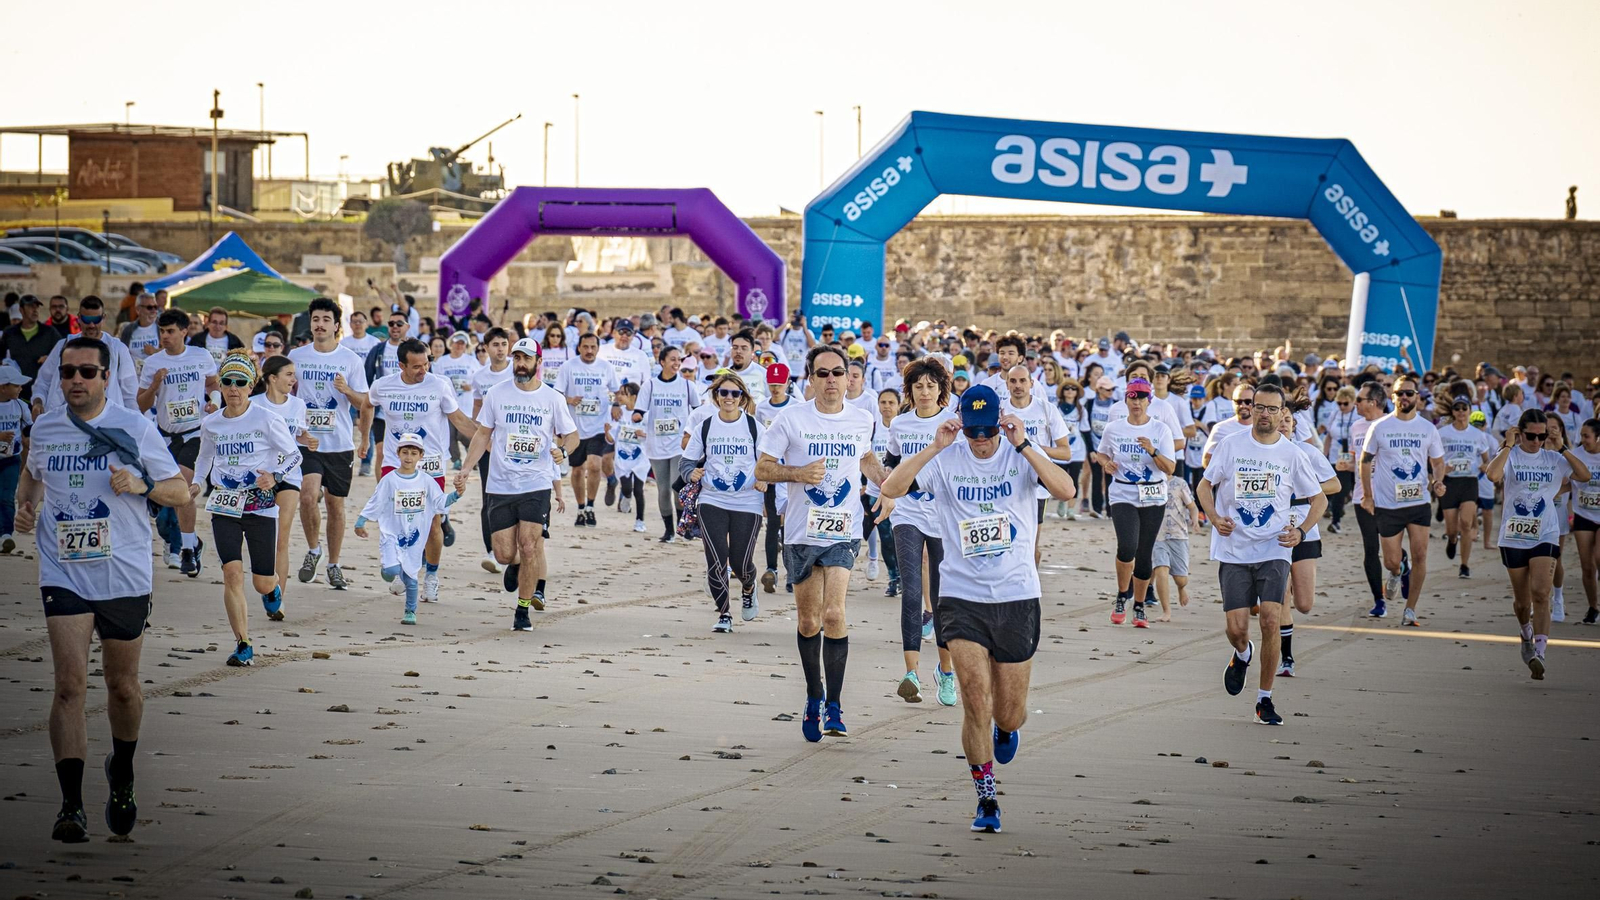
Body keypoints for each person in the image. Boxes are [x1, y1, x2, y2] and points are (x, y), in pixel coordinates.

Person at [880, 384, 1078, 834]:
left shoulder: (1017, 455)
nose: (982, 440)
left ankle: (1006, 732)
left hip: (1016, 595)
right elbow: (893, 485)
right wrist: (935, 445)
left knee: (1008, 711)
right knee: (974, 699)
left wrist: (1024, 443)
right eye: (975, 431)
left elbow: (1065, 490)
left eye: (989, 431)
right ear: (962, 425)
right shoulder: (948, 457)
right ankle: (986, 796)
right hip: (961, 594)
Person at [14, 336, 187, 843]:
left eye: (87, 372)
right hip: (63, 569)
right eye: (68, 372)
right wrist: (26, 507)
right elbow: (32, 477)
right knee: (69, 685)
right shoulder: (45, 428)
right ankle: (71, 807)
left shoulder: (134, 427)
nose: (76, 381)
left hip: (125, 572)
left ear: (107, 377)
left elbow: (177, 491)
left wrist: (142, 486)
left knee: (122, 687)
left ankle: (124, 773)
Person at [756, 345, 893, 742]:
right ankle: (813, 697)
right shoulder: (790, 420)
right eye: (823, 373)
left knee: (834, 615)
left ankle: (834, 705)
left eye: (839, 373)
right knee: (808, 621)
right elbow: (762, 468)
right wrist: (797, 472)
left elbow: (865, 459)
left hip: (844, 529)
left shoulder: (861, 419)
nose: (832, 380)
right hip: (800, 531)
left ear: (849, 377)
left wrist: (886, 484)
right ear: (810, 379)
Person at [1196, 382, 1326, 726]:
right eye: (1259, 407)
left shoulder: (1293, 454)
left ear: (1283, 413)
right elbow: (1204, 485)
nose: (1264, 414)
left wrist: (1299, 531)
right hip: (1234, 548)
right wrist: (1213, 517)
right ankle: (1242, 653)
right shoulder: (1230, 445)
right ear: (1250, 409)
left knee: (1270, 618)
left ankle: (1264, 699)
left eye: (1272, 409)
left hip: (1274, 548)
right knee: (1237, 629)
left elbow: (1320, 499)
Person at [456, 338, 577, 628]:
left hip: (536, 483)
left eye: (526, 358)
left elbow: (572, 436)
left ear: (538, 362)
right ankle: (516, 564)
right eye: (517, 358)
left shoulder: (552, 398)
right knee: (504, 553)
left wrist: (563, 451)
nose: (520, 364)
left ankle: (522, 610)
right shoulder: (497, 394)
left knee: (530, 544)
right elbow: (483, 434)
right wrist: (465, 469)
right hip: (500, 484)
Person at [190, 352, 299, 665]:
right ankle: (243, 643)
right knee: (231, 573)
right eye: (227, 382)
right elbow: (204, 458)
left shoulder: (266, 418)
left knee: (261, 581)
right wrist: (197, 482)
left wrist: (275, 476)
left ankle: (272, 590)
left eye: (240, 382)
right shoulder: (211, 423)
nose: (233, 388)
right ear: (221, 386)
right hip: (224, 503)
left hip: (260, 505)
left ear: (251, 386)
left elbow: (294, 455)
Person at [369, 338, 478, 602]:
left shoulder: (439, 385)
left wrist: (487, 440)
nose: (423, 370)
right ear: (401, 365)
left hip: (430, 465)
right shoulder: (383, 386)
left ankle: (431, 575)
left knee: (432, 524)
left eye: (426, 363)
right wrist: (364, 438)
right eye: (416, 366)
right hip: (395, 465)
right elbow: (366, 405)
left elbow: (459, 419)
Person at [1486, 410, 1589, 679]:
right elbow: (1491, 475)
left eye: (1541, 436)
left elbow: (1584, 475)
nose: (1536, 441)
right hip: (1514, 535)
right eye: (1530, 435)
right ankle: (1525, 632)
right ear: (1520, 432)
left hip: (1545, 532)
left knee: (1541, 592)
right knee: (1522, 603)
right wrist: (1508, 444)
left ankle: (1540, 652)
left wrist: (1562, 447)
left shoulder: (1554, 458)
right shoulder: (1511, 455)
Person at [884, 358, 960, 705]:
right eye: (918, 386)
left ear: (941, 389)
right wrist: (883, 497)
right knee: (912, 590)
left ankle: (945, 672)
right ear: (910, 391)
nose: (925, 391)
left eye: (931, 385)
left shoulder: (953, 424)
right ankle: (911, 672)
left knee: (942, 597)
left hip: (943, 515)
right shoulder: (900, 424)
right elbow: (890, 465)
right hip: (907, 512)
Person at [289, 298, 373, 590]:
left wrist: (346, 390)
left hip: (339, 442)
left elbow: (364, 402)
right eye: (315, 319)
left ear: (337, 325)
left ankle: (334, 565)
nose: (320, 324)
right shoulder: (296, 357)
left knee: (336, 506)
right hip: (306, 441)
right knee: (308, 496)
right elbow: (282, 392)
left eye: (326, 319)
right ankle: (313, 550)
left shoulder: (350, 359)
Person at [136, 308, 219, 574]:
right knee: (166, 497)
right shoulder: (153, 363)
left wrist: (213, 404)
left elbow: (213, 384)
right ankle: (192, 541)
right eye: (162, 331)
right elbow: (140, 404)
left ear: (184, 331)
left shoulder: (200, 356)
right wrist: (154, 386)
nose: (165, 336)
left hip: (195, 433)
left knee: (183, 487)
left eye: (170, 331)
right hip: (164, 437)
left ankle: (185, 551)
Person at [684, 371, 767, 632]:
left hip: (748, 501)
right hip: (712, 499)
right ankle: (724, 614)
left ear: (742, 397)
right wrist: (691, 472)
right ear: (716, 396)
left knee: (741, 561)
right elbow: (686, 461)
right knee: (716, 559)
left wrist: (765, 478)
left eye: (735, 393)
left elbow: (770, 460)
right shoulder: (706, 426)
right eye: (724, 393)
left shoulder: (754, 426)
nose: (729, 398)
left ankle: (748, 586)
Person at [1360, 376, 1446, 625]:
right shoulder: (1380, 426)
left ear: (1417, 397)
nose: (1405, 397)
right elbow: (1365, 462)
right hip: (1388, 504)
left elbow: (1438, 462)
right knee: (1390, 560)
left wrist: (1438, 481)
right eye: (1400, 393)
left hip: (1418, 501)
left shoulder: (1428, 428)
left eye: (1409, 393)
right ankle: (1397, 571)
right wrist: (1367, 496)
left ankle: (1410, 609)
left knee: (1421, 555)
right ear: (1393, 397)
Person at [1095, 378, 1177, 627]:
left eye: (1142, 397)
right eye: (1132, 397)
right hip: (1123, 493)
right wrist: (1105, 463)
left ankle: (1139, 605)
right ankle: (1122, 595)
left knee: (1144, 556)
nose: (1137, 402)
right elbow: (1101, 453)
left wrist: (1153, 451)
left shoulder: (1160, 430)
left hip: (1153, 495)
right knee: (1127, 547)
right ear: (1125, 399)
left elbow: (1170, 468)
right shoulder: (1114, 428)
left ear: (1149, 401)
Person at [356, 433, 460, 626]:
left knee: (411, 577)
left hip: (414, 535)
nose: (409, 457)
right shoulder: (389, 480)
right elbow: (376, 501)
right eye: (405, 452)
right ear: (398, 453)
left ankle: (410, 611)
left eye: (413, 453)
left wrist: (456, 495)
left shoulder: (426, 481)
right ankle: (393, 571)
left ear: (421, 456)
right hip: (392, 534)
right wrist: (361, 521)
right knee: (391, 570)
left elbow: (440, 501)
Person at [1277, 392, 1341, 678]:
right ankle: (1286, 657)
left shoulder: (1308, 452)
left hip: (1305, 530)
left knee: (1304, 604)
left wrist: (1306, 488)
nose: (1283, 425)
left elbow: (1335, 485)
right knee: (1280, 597)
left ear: (1294, 424)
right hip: (1273, 534)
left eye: (1287, 420)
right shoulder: (1261, 453)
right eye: (1279, 420)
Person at [254, 356, 315, 597]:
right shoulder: (254, 404)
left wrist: (307, 440)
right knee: (263, 539)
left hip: (289, 473)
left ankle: (277, 596)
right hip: (259, 476)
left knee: (282, 537)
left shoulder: (297, 405)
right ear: (272, 377)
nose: (294, 379)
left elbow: (298, 435)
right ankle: (265, 581)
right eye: (289, 374)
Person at [555, 333, 620, 529]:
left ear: (598, 349)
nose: (589, 351)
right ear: (579, 348)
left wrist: (616, 404)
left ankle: (591, 507)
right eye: (586, 347)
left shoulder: (606, 368)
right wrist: (569, 400)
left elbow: (617, 390)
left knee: (594, 466)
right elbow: (556, 393)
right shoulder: (568, 367)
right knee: (577, 470)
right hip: (574, 428)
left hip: (599, 426)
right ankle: (581, 508)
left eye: (593, 347)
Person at [32, 296, 138, 415]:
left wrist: (133, 425)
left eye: (96, 319)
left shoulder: (118, 349)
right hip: (64, 421)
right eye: (87, 319)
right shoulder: (63, 346)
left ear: (103, 318)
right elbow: (43, 381)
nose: (91, 325)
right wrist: (38, 402)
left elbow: (130, 395)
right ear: (79, 318)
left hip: (107, 424)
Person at [637, 345, 700, 540]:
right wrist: (637, 415)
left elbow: (698, 412)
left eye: (678, 360)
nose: (676, 363)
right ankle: (668, 530)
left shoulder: (688, 386)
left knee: (677, 486)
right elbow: (639, 409)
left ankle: (683, 527)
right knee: (663, 489)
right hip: (656, 445)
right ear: (662, 361)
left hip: (679, 445)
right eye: (672, 359)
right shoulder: (650, 385)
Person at [469, 328, 515, 569]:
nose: (500, 349)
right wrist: (481, 441)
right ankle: (491, 551)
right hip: (488, 447)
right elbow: (477, 410)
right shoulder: (479, 377)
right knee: (489, 499)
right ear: (486, 348)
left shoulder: (516, 371)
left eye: (503, 344)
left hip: (513, 446)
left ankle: (514, 549)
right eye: (495, 344)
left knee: (514, 496)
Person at [1438, 398, 1495, 578]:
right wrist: (1441, 469)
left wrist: (1484, 467)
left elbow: (1487, 461)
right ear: (1453, 412)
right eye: (1457, 408)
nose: (1461, 411)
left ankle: (1464, 565)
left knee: (1466, 523)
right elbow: (1434, 457)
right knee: (1451, 529)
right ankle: (1452, 539)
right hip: (1450, 482)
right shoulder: (1443, 433)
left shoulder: (1478, 435)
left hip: (1469, 482)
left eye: (1464, 408)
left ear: (1470, 411)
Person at [754, 363, 794, 591]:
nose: (776, 388)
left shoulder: (796, 408)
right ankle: (772, 570)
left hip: (791, 474)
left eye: (779, 384)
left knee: (789, 526)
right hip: (770, 473)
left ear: (787, 383)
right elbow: (760, 443)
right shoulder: (761, 409)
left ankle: (791, 573)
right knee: (771, 524)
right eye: (772, 384)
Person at [1151, 475, 1197, 620]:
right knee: (1161, 569)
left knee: (1181, 579)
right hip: (1157, 535)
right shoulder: (1150, 481)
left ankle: (1181, 588)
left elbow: (1192, 507)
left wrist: (1194, 519)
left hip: (1179, 535)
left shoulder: (1179, 483)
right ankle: (1166, 611)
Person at [434, 331, 482, 470]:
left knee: (463, 432)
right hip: (448, 403)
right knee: (450, 434)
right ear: (452, 343)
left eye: (463, 343)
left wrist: (471, 387)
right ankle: (456, 460)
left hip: (466, 404)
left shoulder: (471, 361)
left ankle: (471, 450)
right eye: (457, 343)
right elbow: (436, 380)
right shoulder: (443, 361)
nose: (459, 346)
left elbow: (479, 379)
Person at [2, 294, 62, 401]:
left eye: (37, 307)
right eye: (30, 307)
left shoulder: (49, 332)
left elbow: (64, 354)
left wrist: (49, 358)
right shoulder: (9, 333)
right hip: (14, 395)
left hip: (41, 393)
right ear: (21, 310)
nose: (35, 310)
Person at [1569, 418, 1600, 625]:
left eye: (1586, 436)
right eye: (1581, 435)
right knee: (1587, 566)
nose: (1582, 440)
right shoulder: (1575, 455)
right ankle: (1593, 607)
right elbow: (1563, 479)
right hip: (1583, 514)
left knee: (1599, 557)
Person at [607, 384, 650, 532]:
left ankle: (640, 521)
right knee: (626, 488)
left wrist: (644, 434)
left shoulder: (646, 414)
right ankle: (626, 496)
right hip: (622, 457)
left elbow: (655, 435)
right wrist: (607, 432)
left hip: (641, 457)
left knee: (638, 489)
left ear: (634, 397)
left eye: (624, 394)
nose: (619, 396)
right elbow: (612, 437)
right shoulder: (620, 413)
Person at [0, 362, 32, 551]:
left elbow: (28, 428)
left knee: (6, 496)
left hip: (11, 459)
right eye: (16, 385)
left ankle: (6, 535)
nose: (21, 389)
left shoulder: (20, 406)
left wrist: (32, 439)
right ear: (3, 387)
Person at [1320, 385, 1359, 534]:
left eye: (1345, 403)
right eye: (1339, 403)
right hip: (1338, 456)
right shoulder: (1335, 413)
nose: (1342, 406)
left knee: (1352, 487)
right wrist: (1325, 454)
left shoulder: (1358, 415)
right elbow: (1329, 435)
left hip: (1354, 455)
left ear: (1352, 402)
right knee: (1340, 489)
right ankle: (1335, 521)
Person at [116, 292, 163, 378]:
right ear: (138, 309)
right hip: (132, 382)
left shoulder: (162, 328)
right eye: (149, 307)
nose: (154, 311)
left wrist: (155, 351)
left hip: (155, 381)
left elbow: (173, 351)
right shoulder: (126, 329)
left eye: (155, 307)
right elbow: (117, 353)